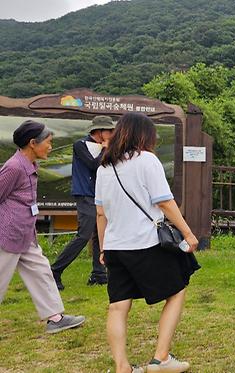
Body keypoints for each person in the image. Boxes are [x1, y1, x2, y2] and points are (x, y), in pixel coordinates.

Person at [95, 113, 200, 373]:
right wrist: (188, 233)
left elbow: (100, 213)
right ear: (144, 135)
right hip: (144, 243)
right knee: (177, 289)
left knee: (118, 307)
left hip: (115, 246)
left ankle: (122, 367)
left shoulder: (104, 167)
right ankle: (160, 358)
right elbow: (164, 202)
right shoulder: (147, 160)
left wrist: (103, 248)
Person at [0, 120, 86, 335]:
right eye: (48, 142)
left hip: (25, 233)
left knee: (41, 270)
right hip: (8, 234)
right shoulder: (13, 167)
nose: (50, 146)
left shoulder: (29, 164)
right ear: (32, 143)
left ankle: (55, 318)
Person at [51, 115, 115, 290]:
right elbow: (94, 165)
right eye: (109, 130)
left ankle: (99, 274)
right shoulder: (80, 145)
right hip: (85, 195)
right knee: (84, 235)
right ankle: (54, 271)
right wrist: (105, 150)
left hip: (99, 195)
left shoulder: (105, 146)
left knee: (98, 234)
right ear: (99, 131)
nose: (112, 133)